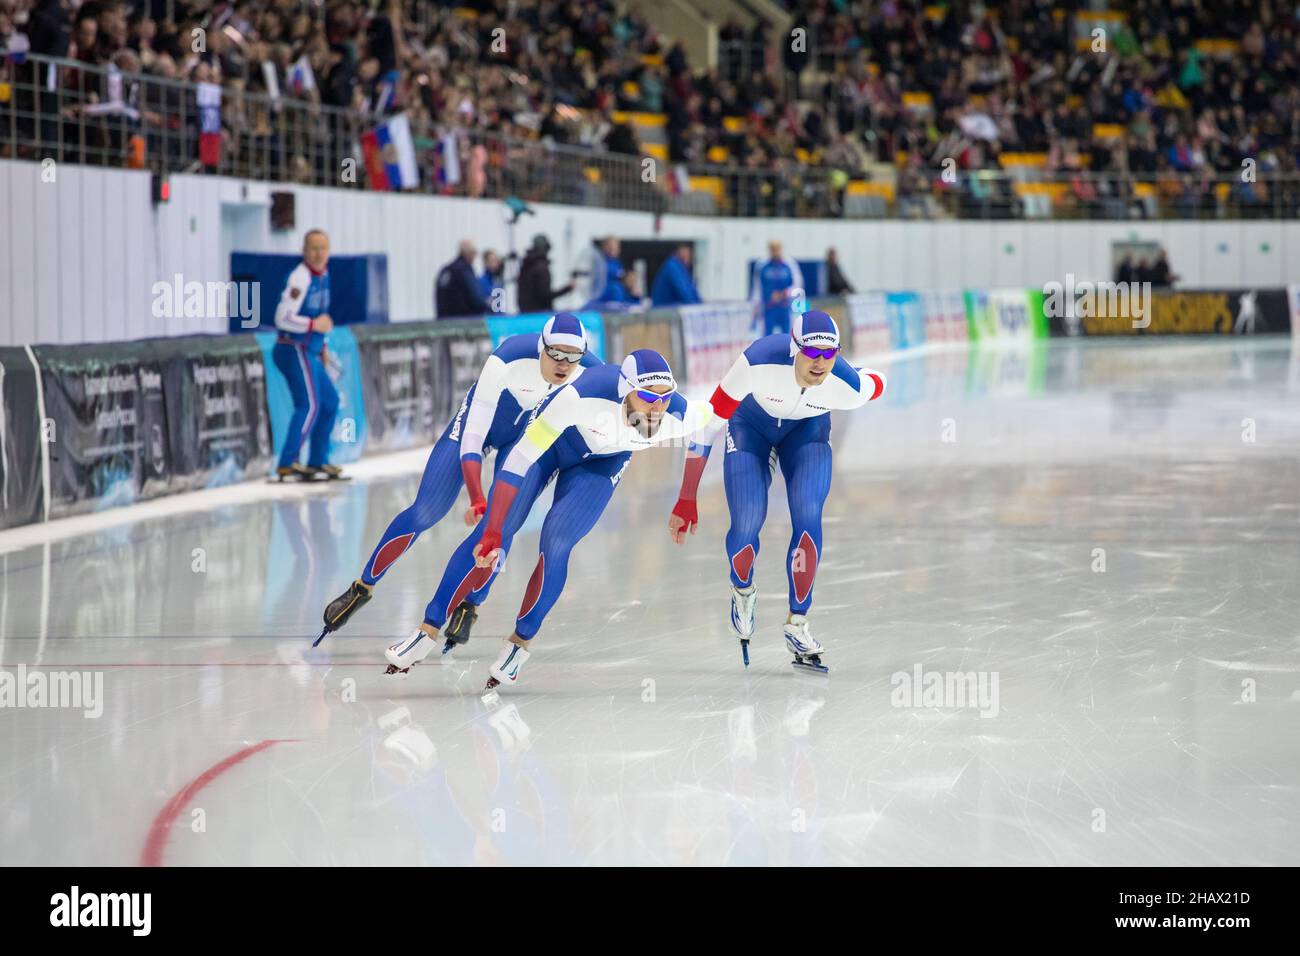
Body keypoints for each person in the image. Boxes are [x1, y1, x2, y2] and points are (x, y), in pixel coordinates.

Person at [382, 350, 715, 691]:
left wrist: (687, 497)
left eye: (664, 397)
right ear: (624, 391)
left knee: (557, 542)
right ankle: (427, 630)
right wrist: (495, 527)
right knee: (491, 533)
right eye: (646, 397)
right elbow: (518, 462)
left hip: (602, 463)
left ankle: (519, 643)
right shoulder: (580, 398)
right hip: (552, 445)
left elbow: (708, 427)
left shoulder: (681, 413)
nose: (657, 407)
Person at [319, 314, 600, 641]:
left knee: (503, 521)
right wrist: (476, 496)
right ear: (541, 347)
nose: (563, 363)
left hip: (524, 439)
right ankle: (363, 586)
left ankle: (471, 603)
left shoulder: (591, 371)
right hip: (479, 429)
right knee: (427, 510)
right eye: (555, 354)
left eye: (572, 357)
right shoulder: (507, 358)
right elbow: (472, 439)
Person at [667, 310, 886, 673]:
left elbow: (875, 383)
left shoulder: (846, 387)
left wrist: (864, 375)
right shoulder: (757, 362)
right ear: (793, 349)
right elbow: (706, 427)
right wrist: (687, 496)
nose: (820, 363)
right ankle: (743, 591)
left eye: (829, 354)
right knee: (748, 519)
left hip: (807, 433)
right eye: (812, 354)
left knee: (808, 512)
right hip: (750, 425)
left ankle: (798, 623)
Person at [270, 229, 343, 481]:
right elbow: (282, 317)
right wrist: (313, 326)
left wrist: (321, 346)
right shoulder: (299, 278)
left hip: (309, 350)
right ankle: (288, 462)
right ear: (304, 251)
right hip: (292, 348)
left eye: (323, 248)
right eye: (314, 248)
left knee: (330, 401)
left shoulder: (324, 275)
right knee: (309, 404)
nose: (319, 253)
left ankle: (316, 461)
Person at [751, 240, 804, 335]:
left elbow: (798, 285)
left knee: (787, 337)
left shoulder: (790, 264)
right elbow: (757, 288)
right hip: (768, 308)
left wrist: (784, 294)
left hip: (785, 307)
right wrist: (756, 307)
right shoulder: (762, 265)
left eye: (777, 249)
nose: (775, 251)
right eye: (773, 249)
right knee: (766, 338)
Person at [516, 235, 575, 313]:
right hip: (540, 315)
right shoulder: (541, 267)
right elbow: (545, 295)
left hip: (525, 315)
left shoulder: (526, 265)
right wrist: (567, 288)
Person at [435, 239, 490, 318]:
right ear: (469, 253)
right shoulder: (464, 270)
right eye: (474, 253)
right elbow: (477, 299)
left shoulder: (445, 270)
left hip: (443, 321)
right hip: (463, 321)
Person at [584, 235, 637, 308]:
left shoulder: (617, 263)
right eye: (610, 246)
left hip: (617, 301)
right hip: (602, 301)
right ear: (604, 247)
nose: (612, 248)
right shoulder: (600, 263)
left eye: (615, 247)